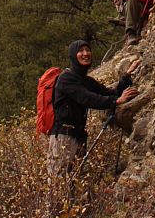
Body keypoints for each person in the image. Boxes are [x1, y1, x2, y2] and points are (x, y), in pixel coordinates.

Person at [47, 39, 139, 177]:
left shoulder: (86, 80)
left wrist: (126, 76)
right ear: (73, 55)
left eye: (88, 50)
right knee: (59, 181)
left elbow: (109, 93)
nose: (86, 54)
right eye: (81, 51)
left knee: (75, 180)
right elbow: (87, 98)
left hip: (77, 136)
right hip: (63, 137)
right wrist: (116, 101)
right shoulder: (66, 78)